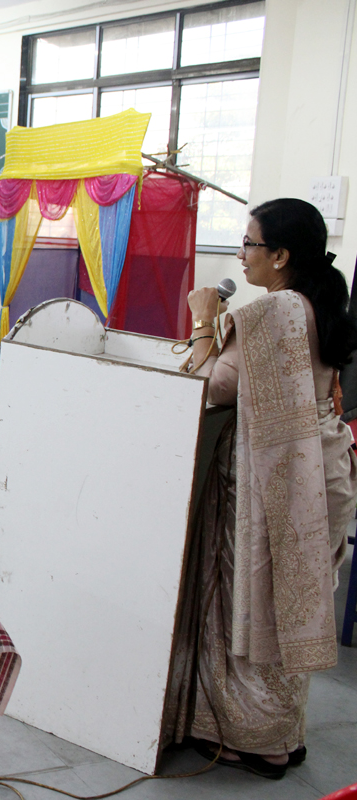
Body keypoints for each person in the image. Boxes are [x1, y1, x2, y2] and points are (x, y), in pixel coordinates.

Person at [170, 198, 357, 778]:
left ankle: (261, 741)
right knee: (289, 607)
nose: (241, 255)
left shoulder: (276, 311)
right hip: (319, 474)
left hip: (277, 485)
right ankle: (281, 734)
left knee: (256, 607)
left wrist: (204, 320)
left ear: (280, 255)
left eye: (249, 244)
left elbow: (211, 387)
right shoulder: (318, 302)